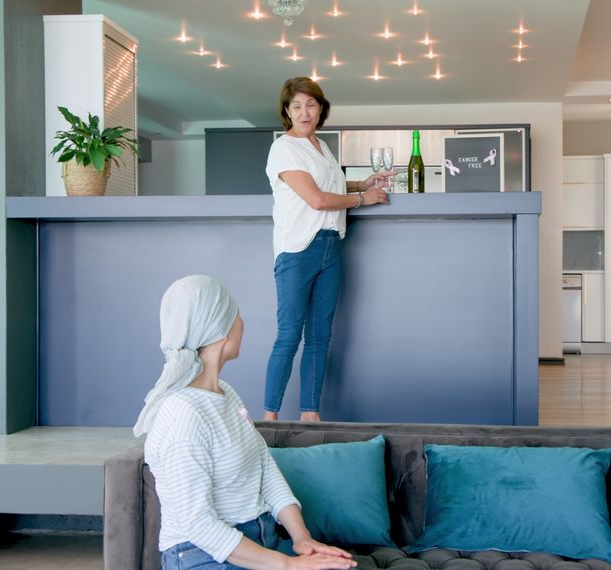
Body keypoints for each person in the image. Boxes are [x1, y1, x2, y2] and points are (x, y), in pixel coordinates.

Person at [134, 275, 357, 570]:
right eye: (236, 313)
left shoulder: (227, 395)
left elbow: (263, 467)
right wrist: (288, 565)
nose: (242, 322)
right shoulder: (182, 414)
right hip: (202, 555)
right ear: (221, 328)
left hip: (261, 542)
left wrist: (302, 539)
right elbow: (196, 523)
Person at [263, 76, 390, 422]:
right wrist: (364, 198)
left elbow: (325, 184)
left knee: (320, 336)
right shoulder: (284, 148)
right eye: (297, 106)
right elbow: (317, 199)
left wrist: (359, 183)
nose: (305, 112)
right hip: (297, 250)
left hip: (331, 247)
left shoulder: (320, 145)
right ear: (286, 112)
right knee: (289, 336)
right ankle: (268, 418)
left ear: (322, 108)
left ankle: (310, 415)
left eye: (311, 104)